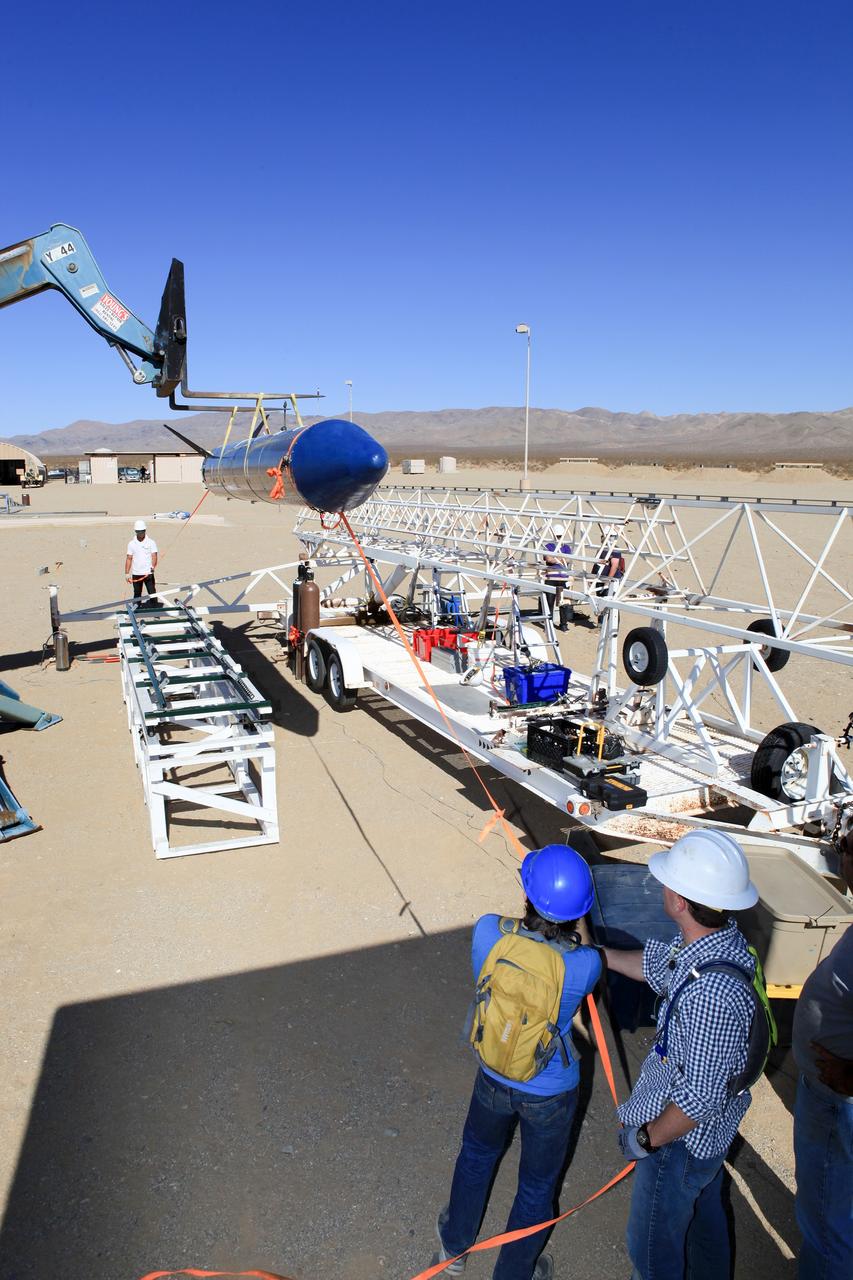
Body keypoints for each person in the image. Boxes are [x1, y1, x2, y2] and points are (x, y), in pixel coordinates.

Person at [431, 844, 601, 1280]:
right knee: (537, 1185)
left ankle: (454, 1251)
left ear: (528, 896)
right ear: (578, 910)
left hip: (493, 1071)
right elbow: (586, 943)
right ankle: (513, 1272)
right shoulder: (584, 966)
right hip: (550, 1089)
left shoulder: (489, 931)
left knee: (477, 1154)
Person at [601, 830, 760, 1280]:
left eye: (669, 883)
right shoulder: (714, 943)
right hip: (702, 1143)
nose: (664, 889)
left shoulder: (711, 992)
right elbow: (659, 969)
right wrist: (600, 955)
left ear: (681, 902)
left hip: (679, 1142)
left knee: (651, 1249)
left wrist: (648, 1138)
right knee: (705, 1220)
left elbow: (699, 1098)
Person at [792, 832, 853, 1279]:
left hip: (838, 1102)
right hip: (833, 1095)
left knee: (826, 1219)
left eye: (847, 844)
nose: (840, 848)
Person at [542, 526, 573, 631]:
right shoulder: (548, 546)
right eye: (558, 536)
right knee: (549, 602)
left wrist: (556, 558)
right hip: (551, 577)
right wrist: (561, 559)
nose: (559, 538)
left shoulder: (566, 547)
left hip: (563, 578)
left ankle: (563, 624)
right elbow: (548, 559)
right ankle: (548, 624)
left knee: (562, 602)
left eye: (560, 536)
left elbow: (569, 560)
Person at [125, 518, 159, 607]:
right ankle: (136, 609)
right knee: (137, 593)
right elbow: (129, 558)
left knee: (152, 592)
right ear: (135, 531)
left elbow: (154, 556)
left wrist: (152, 567)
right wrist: (127, 573)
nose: (140, 533)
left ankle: (155, 610)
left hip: (148, 573)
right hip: (136, 573)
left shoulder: (151, 542)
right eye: (138, 531)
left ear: (145, 530)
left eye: (142, 531)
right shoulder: (131, 544)